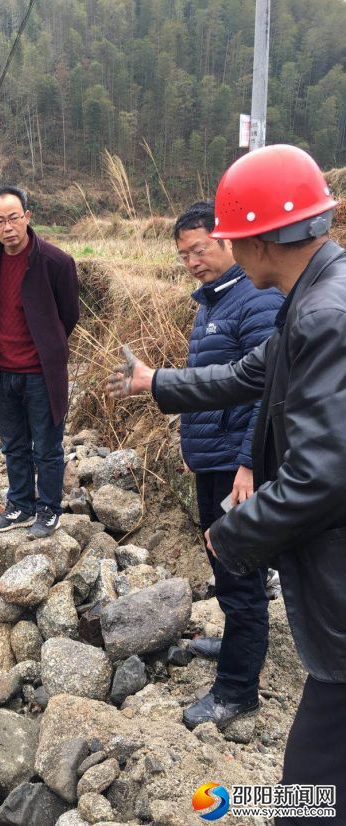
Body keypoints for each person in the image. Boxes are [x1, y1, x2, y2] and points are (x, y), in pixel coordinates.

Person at [108, 145, 343, 824]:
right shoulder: (311, 298)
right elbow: (245, 376)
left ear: (263, 240)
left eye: (234, 239)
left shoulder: (326, 315)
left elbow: (324, 473)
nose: (228, 252)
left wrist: (233, 532)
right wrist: (158, 384)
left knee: (310, 785)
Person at [171, 201, 284, 729]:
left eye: (200, 249)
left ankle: (237, 693)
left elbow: (268, 391)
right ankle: (236, 643)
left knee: (240, 575)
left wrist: (248, 466)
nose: (193, 261)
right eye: (184, 255)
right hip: (213, 459)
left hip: (236, 466)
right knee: (227, 564)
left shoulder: (254, 298)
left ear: (227, 242)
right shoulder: (212, 303)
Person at [0, 185, 79, 539]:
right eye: (0, 220)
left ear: (27, 218)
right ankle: (20, 504)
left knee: (47, 447)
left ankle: (49, 509)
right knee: (14, 445)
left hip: (40, 374)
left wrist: (46, 348)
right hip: (3, 374)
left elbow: (69, 314)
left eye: (14, 218)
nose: (8, 227)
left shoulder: (56, 261)